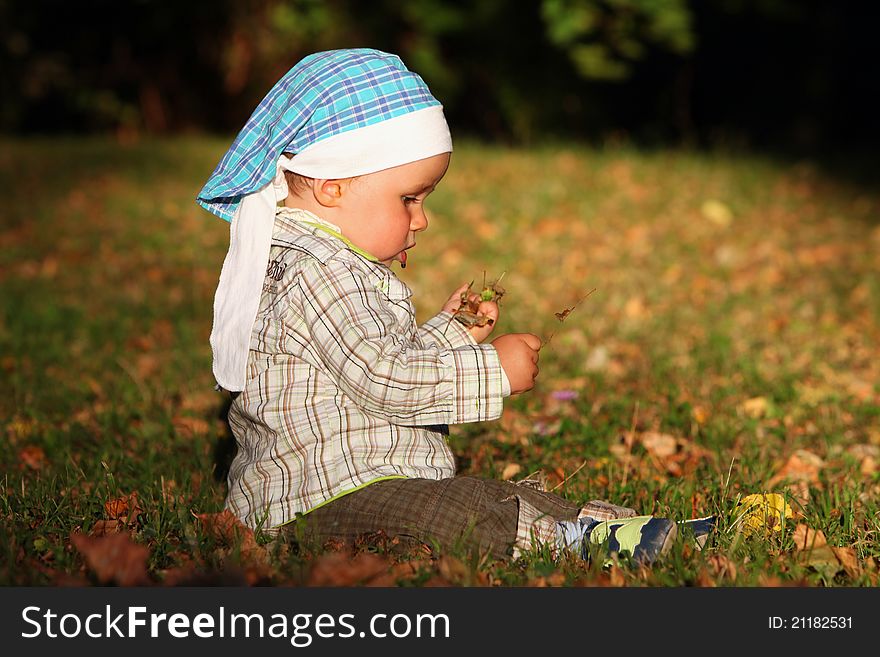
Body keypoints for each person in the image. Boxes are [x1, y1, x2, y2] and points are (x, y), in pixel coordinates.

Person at [196, 48, 684, 566]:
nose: (421, 219)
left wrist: (451, 332)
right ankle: (580, 543)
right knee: (459, 511)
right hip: (319, 501)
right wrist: (493, 371)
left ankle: (610, 529)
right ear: (330, 186)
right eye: (409, 199)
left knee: (485, 496)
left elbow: (374, 360)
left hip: (358, 483)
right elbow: (386, 380)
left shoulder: (326, 258)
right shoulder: (319, 271)